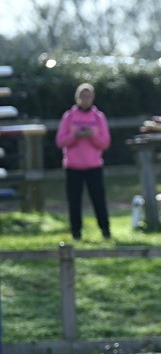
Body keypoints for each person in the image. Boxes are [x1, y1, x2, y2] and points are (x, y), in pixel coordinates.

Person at [56, 83, 112, 240]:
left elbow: (105, 143)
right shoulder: (69, 117)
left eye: (88, 96)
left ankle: (105, 231)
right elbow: (60, 141)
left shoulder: (98, 117)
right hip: (73, 166)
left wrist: (92, 136)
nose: (85, 99)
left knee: (99, 200)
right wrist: (75, 136)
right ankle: (76, 233)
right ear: (77, 97)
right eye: (83, 96)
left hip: (94, 166)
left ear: (93, 98)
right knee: (74, 201)